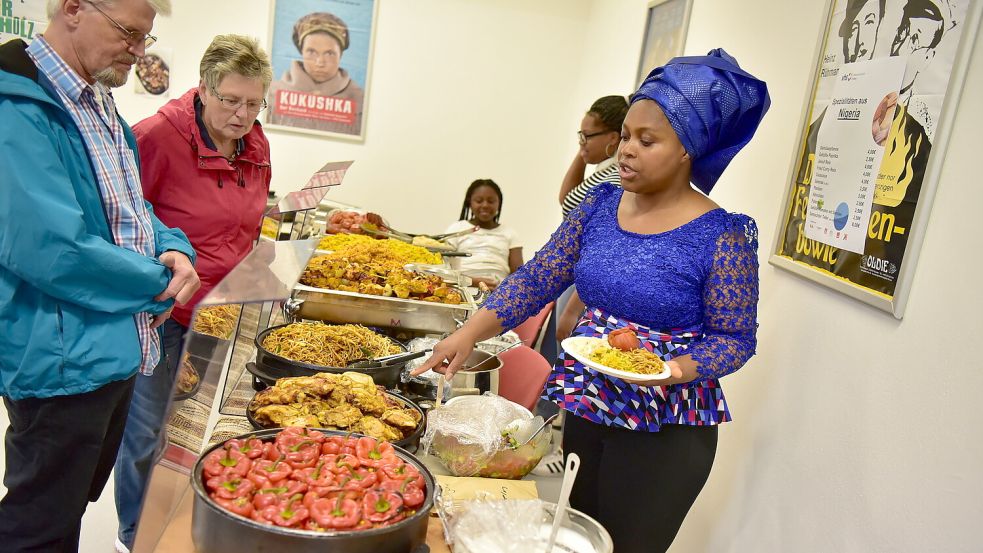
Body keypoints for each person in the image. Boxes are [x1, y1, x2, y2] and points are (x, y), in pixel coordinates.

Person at [413, 49, 769, 553]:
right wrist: (470, 331)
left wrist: (670, 369)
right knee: (577, 536)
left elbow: (735, 340)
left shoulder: (723, 236)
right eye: (625, 135)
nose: (626, 150)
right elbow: (539, 276)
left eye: (647, 141)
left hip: (664, 427)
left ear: (688, 148)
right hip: (592, 402)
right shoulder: (602, 205)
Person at [0, 0, 200, 551]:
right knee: (38, 521)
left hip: (115, 346)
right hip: (60, 357)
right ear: (71, 9)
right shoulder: (16, 105)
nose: (139, 51)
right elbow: (51, 246)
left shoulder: (98, 103)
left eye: (145, 38)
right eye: (130, 34)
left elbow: (133, 211)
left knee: (69, 503)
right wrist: (154, 282)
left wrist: (174, 248)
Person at [111, 34, 273, 552]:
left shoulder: (256, 143)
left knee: (195, 431)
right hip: (164, 313)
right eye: (230, 99)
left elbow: (244, 222)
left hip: (223, 316)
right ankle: (134, 535)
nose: (242, 114)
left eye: (253, 102)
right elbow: (121, 221)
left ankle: (186, 529)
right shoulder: (157, 137)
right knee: (145, 432)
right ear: (203, 90)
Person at [555, 95, 629, 343]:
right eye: (580, 135)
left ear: (613, 137)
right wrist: (583, 149)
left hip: (584, 287)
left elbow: (604, 249)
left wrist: (572, 310)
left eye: (588, 135)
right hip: (577, 278)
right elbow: (568, 201)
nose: (582, 143)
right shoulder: (605, 170)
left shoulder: (617, 178)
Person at [267, 11, 364, 135]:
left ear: (341, 55)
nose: (320, 62)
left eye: (329, 53)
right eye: (311, 52)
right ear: (301, 51)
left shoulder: (360, 100)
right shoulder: (272, 93)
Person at [443, 179, 523, 289]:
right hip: (462, 288)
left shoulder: (510, 233)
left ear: (498, 204)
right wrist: (472, 281)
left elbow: (519, 276)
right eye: (479, 201)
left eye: (491, 201)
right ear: (469, 202)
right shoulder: (457, 229)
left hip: (499, 294)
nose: (485, 205)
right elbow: (443, 271)